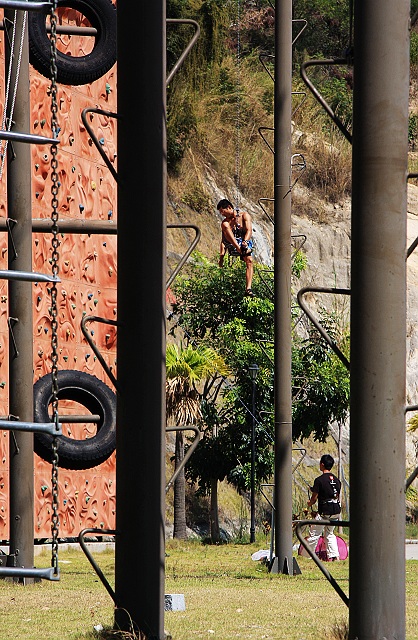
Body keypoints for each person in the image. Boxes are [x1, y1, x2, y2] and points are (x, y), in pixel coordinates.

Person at [306, 454, 341, 561]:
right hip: (336, 511)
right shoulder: (337, 480)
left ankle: (307, 556)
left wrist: (309, 503)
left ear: (322, 464)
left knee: (314, 533)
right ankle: (335, 556)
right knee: (329, 533)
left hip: (325, 511)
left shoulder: (319, 480)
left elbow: (314, 498)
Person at [217, 198, 254, 297]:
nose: (222, 214)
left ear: (229, 207)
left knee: (249, 260)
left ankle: (248, 288)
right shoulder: (226, 222)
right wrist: (221, 256)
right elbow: (223, 241)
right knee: (225, 224)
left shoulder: (244, 216)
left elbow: (249, 230)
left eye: (223, 211)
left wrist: (245, 241)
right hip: (233, 245)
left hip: (243, 242)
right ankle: (239, 248)